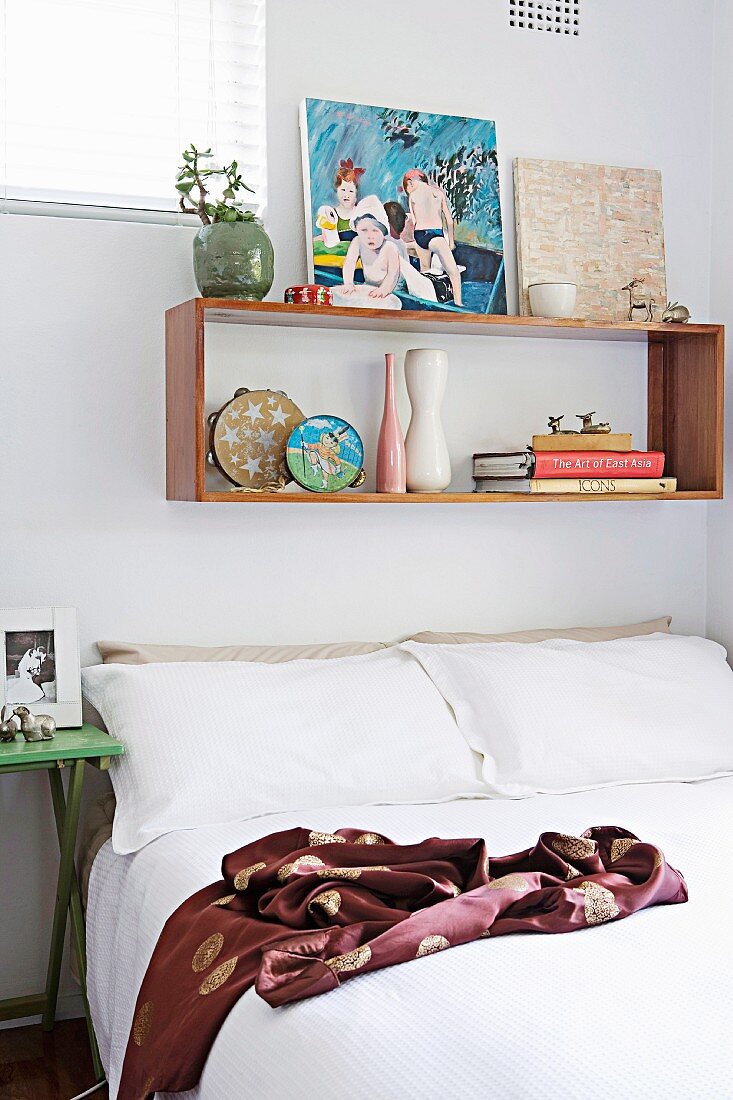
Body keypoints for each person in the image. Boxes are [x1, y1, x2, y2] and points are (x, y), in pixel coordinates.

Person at [402, 169, 463, 306]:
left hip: (419, 235)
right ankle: (459, 303)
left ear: (411, 182)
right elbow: (449, 221)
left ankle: (427, 303)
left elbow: (415, 222)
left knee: (425, 272)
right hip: (436, 235)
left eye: (407, 188)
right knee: (453, 272)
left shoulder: (412, 196)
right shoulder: (438, 193)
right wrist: (451, 242)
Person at [341, 197, 402, 301]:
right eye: (364, 230)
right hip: (370, 287)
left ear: (384, 231)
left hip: (394, 290)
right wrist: (348, 283)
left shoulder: (390, 248)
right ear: (357, 229)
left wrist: (384, 289)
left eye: (375, 230)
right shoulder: (357, 242)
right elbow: (349, 263)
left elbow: (393, 274)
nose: (370, 236)